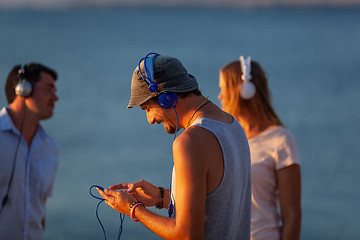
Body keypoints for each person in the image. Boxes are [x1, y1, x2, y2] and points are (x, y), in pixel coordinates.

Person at [98, 53, 251, 239]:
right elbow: (222, 201)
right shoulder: (233, 125)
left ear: (167, 99)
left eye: (147, 109)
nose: (150, 120)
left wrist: (132, 208)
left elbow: (187, 235)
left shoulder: (190, 142)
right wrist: (161, 197)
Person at [218, 56, 302, 240]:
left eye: (223, 89)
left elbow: (292, 214)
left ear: (244, 91)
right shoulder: (224, 137)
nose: (220, 96)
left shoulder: (280, 139)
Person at [0, 63, 60, 240]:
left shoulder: (51, 148)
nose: (55, 97)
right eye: (49, 89)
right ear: (23, 89)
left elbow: (40, 212)